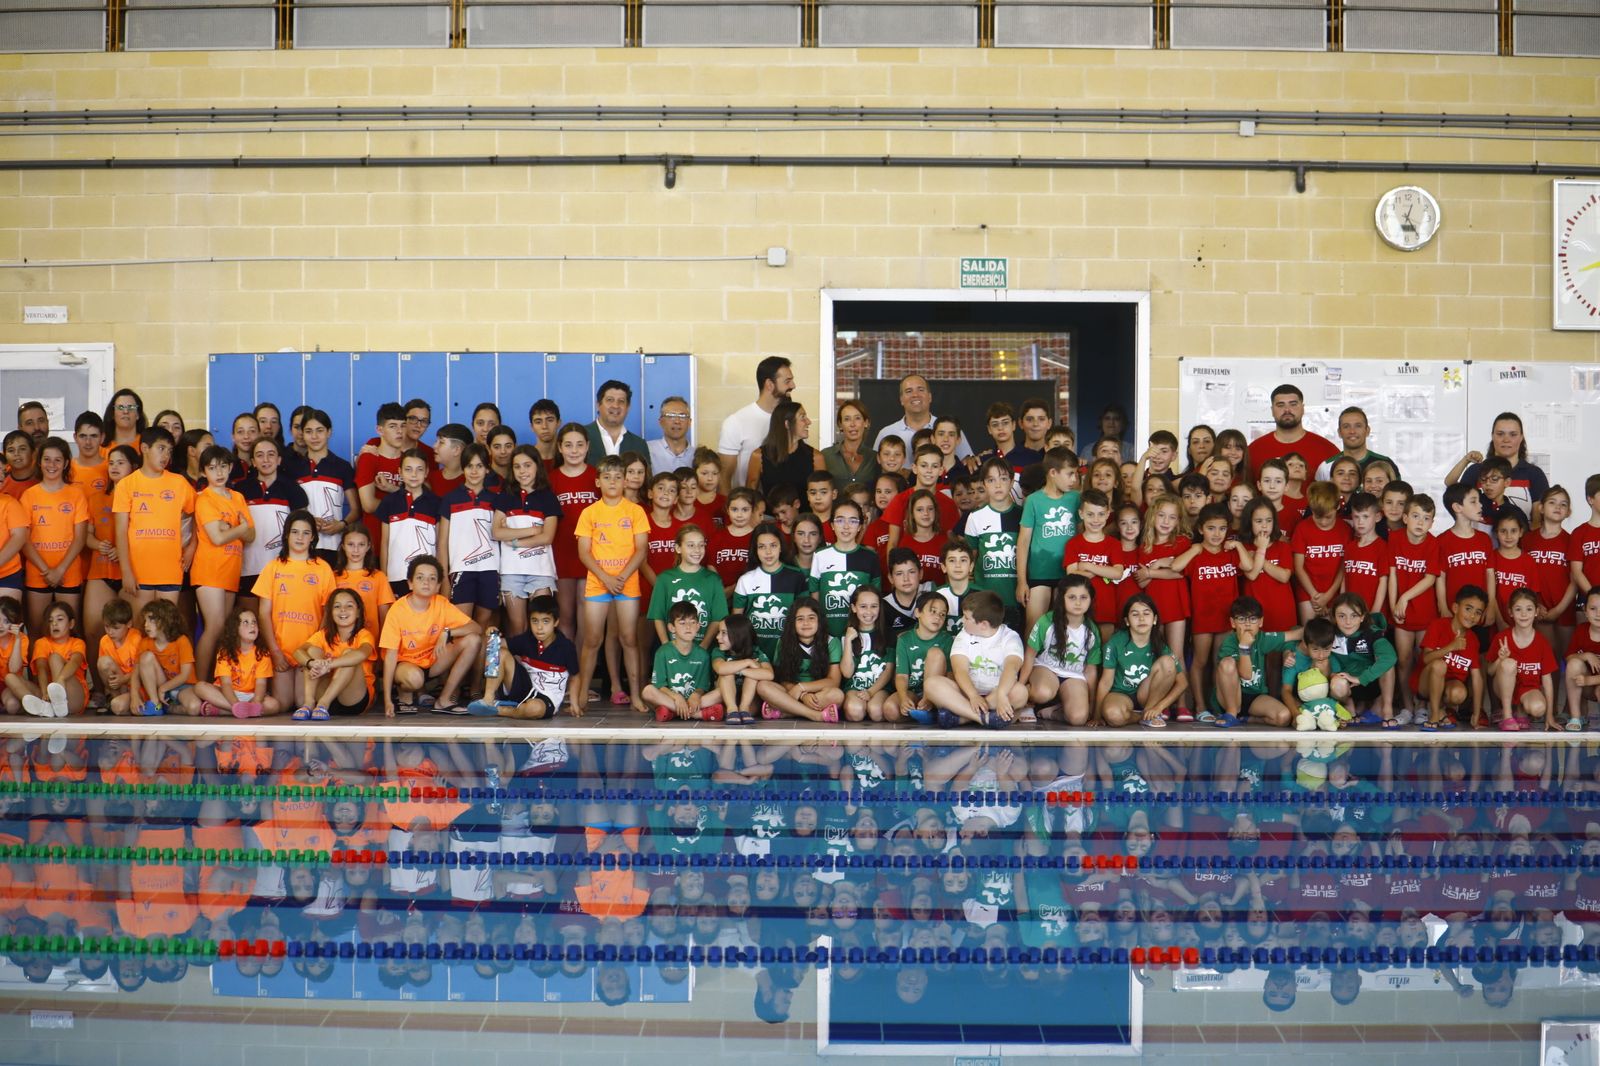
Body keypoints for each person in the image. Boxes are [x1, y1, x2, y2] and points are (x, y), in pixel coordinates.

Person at [572, 455, 650, 715]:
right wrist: (606, 578)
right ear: (598, 481)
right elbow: (584, 552)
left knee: (629, 638)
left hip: (627, 583)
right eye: (607, 477)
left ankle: (636, 695)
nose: (613, 481)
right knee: (593, 639)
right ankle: (582, 692)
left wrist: (622, 577)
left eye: (618, 477)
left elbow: (641, 550)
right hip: (598, 583)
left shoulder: (635, 511)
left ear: (625, 480)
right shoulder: (589, 513)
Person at [378, 554, 483, 716]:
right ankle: (403, 695)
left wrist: (448, 633)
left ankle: (444, 700)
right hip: (406, 668)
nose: (426, 582)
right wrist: (387, 700)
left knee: (473, 640)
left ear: (438, 585)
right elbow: (390, 656)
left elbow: (476, 628)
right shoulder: (397, 610)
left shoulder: (441, 603)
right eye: (420, 578)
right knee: (414, 678)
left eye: (432, 578)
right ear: (410, 583)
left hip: (433, 663)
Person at [252, 510, 335, 711]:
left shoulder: (323, 568)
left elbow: (328, 613)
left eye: (306, 533)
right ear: (287, 535)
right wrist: (275, 652)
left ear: (313, 537)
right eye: (295, 532)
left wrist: (313, 650)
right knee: (282, 705)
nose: (300, 537)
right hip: (281, 650)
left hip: (307, 651)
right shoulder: (273, 567)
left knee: (302, 702)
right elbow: (263, 613)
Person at [190, 444, 255, 679]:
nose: (219, 473)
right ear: (203, 472)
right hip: (209, 570)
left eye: (223, 466)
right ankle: (199, 681)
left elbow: (251, 535)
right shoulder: (204, 499)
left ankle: (217, 680)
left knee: (224, 630)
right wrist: (239, 527)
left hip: (231, 570)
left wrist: (235, 529)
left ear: (230, 468)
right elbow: (217, 538)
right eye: (212, 467)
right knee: (214, 626)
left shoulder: (237, 496)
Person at [112, 427, 194, 608]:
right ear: (144, 448)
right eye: (161, 448)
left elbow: (196, 516)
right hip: (139, 571)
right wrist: (126, 571)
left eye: (170, 450)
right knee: (142, 628)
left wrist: (191, 546)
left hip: (171, 569)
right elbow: (120, 532)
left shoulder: (179, 482)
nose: (166, 455)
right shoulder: (127, 484)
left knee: (165, 629)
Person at [921, 589, 1027, 729]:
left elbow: (1011, 668)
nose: (961, 620)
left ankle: (962, 717)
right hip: (965, 694)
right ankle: (986, 718)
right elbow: (960, 671)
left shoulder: (1010, 637)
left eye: (966, 617)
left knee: (1021, 692)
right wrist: (973, 696)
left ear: (983, 625)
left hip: (995, 695)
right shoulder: (964, 635)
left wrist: (1001, 694)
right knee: (931, 684)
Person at [472, 594, 578, 720]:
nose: (539, 627)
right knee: (499, 650)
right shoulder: (527, 639)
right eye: (535, 621)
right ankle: (488, 700)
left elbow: (575, 677)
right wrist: (492, 635)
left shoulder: (566, 647)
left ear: (556, 622)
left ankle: (499, 710)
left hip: (546, 699)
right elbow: (495, 645)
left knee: (534, 709)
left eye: (545, 621)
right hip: (524, 688)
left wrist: (575, 703)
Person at [1021, 575, 1099, 726]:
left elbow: (1091, 670)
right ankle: (1028, 704)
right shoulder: (1046, 621)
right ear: (1061, 598)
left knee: (1078, 718)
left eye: (1083, 597)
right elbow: (1030, 656)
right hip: (1045, 668)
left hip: (1073, 674)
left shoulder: (1091, 630)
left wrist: (1093, 709)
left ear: (1090, 600)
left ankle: (1052, 711)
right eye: (1071, 597)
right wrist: (1020, 687)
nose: (1078, 602)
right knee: (1042, 692)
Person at [1446, 411, 1549, 523]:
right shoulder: (1476, 470)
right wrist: (1466, 460)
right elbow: (1451, 487)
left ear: (1521, 438)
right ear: (1492, 436)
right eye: (1500, 434)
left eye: (1513, 434)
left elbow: (1537, 523)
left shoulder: (1534, 474)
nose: (1506, 439)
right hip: (1480, 540)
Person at [286, 408, 359, 563]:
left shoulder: (342, 467)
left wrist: (341, 525)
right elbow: (288, 509)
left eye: (319, 430)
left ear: (329, 432)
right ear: (303, 435)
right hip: (302, 547)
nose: (314, 437)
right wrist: (309, 520)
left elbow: (356, 509)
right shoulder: (293, 469)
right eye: (308, 431)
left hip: (334, 547)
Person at [294, 587, 376, 720]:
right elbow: (298, 652)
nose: (343, 610)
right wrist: (311, 663)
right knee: (312, 652)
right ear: (331, 612)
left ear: (358, 612)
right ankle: (308, 703)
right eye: (337, 606)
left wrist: (328, 665)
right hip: (328, 692)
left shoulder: (363, 635)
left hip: (353, 700)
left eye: (349, 606)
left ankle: (323, 704)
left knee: (350, 655)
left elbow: (361, 654)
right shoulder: (323, 635)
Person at [718, 356, 794, 493]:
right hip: (747, 508)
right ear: (770, 385)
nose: (793, 386)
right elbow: (724, 477)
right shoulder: (736, 422)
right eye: (787, 381)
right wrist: (729, 512)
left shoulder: (792, 419)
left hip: (786, 509)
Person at [642, 601, 722, 723]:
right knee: (648, 691)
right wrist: (677, 697)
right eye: (682, 623)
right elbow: (660, 686)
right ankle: (697, 714)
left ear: (698, 626)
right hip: (671, 699)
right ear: (671, 628)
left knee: (722, 692)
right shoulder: (662, 652)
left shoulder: (703, 655)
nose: (688, 627)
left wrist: (696, 695)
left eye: (692, 622)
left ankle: (673, 712)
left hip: (694, 701)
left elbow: (703, 686)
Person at [872, 374, 973, 459]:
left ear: (930, 397)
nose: (915, 395)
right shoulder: (886, 433)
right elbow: (875, 469)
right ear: (901, 400)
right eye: (909, 391)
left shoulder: (949, 428)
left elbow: (967, 460)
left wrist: (970, 459)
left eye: (920, 390)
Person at [1246, 384, 1338, 476]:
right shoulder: (1253, 451)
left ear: (1303, 408)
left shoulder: (1328, 450)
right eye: (1280, 405)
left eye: (1293, 404)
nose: (1287, 410)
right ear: (1272, 410)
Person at [746, 400, 823, 497]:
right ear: (787, 424)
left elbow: (823, 495)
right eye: (802, 417)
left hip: (806, 512)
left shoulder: (816, 457)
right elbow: (750, 497)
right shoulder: (758, 456)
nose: (809, 422)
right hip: (769, 512)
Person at [355, 403, 408, 543]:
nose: (399, 431)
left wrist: (393, 489)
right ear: (379, 429)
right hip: (375, 540)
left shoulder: (409, 460)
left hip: (404, 541)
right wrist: (405, 502)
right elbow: (368, 505)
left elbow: (421, 500)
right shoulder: (369, 458)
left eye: (403, 425)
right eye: (392, 426)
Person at [1314, 406, 1398, 481]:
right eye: (1346, 426)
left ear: (1367, 431)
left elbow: (1398, 496)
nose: (1352, 431)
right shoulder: (1326, 468)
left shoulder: (1386, 464)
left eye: (1358, 426)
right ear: (1339, 432)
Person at [585, 380, 649, 467]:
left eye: (621, 401)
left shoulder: (639, 445)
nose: (615, 406)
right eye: (610, 400)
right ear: (598, 404)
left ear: (628, 407)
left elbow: (646, 478)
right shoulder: (582, 436)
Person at [821, 399, 878, 489]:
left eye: (857, 418)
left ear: (866, 423)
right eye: (847, 419)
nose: (852, 424)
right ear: (840, 425)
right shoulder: (826, 455)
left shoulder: (875, 458)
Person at [646, 396, 695, 474]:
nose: (677, 421)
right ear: (661, 422)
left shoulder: (696, 456)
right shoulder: (647, 450)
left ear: (689, 422)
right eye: (671, 416)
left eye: (682, 416)